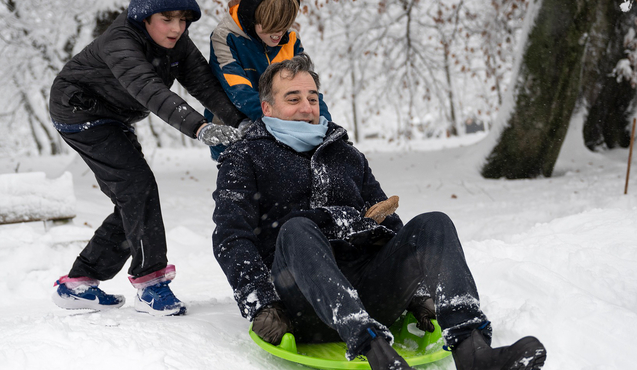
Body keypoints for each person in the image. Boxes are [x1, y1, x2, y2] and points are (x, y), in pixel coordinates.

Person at [211, 54, 547, 369]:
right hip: (300, 301)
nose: (307, 107)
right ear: (267, 108)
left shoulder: (345, 155)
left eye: (312, 98)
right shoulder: (245, 157)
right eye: (294, 98)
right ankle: (373, 349)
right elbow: (231, 237)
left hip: (369, 291)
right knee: (297, 228)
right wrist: (263, 303)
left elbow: (390, 222)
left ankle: (472, 348)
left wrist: (415, 295)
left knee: (433, 224)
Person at [48, 0, 248, 317]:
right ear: (144, 17)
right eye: (166, 19)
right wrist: (201, 128)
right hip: (80, 111)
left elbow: (204, 84)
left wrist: (241, 122)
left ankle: (79, 283)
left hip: (115, 117)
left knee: (132, 198)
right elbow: (150, 90)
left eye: (183, 20)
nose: (176, 28)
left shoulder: (176, 43)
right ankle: (150, 282)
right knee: (137, 188)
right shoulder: (121, 41)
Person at [205, 0, 331, 159]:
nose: (279, 33)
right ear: (253, 15)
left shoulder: (290, 39)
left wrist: (328, 129)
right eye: (271, 26)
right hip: (236, 124)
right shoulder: (226, 37)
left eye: (284, 24)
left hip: (285, 125)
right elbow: (239, 91)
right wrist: (280, 127)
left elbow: (307, 89)